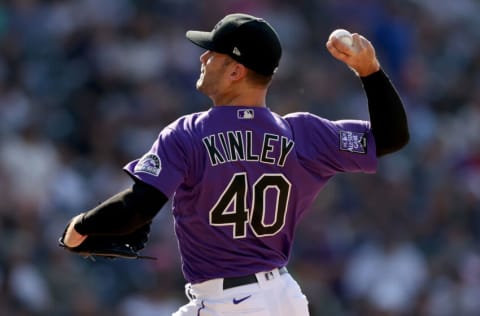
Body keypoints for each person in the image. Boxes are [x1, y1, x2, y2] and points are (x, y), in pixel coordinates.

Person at [60, 13, 409, 316]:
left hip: (227, 303)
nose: (204, 57)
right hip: (284, 297)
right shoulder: (303, 133)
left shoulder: (189, 132)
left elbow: (137, 209)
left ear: (236, 71)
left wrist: (80, 227)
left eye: (214, 53)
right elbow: (391, 137)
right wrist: (370, 71)